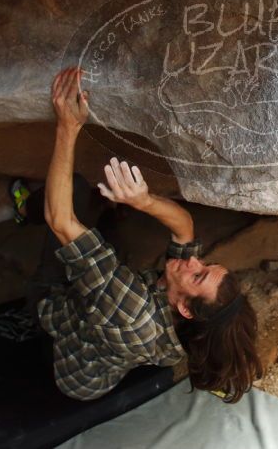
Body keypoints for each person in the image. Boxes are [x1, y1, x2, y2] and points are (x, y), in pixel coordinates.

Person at [14, 67, 263, 403]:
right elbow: (184, 227)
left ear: (186, 309)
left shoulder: (134, 314)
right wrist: (143, 201)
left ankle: (21, 209)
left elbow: (60, 221)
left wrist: (68, 126)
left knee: (74, 190)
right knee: (104, 225)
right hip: (102, 336)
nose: (192, 261)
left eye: (198, 274)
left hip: (67, 354)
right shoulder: (187, 316)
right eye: (205, 264)